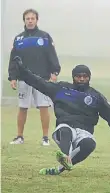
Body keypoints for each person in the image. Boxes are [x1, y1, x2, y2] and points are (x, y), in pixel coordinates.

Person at [13, 56, 110, 175]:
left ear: (89, 77)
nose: (81, 79)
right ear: (73, 77)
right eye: (78, 76)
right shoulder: (61, 89)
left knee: (90, 144)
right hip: (65, 127)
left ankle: (59, 169)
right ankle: (65, 155)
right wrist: (22, 70)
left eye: (85, 76)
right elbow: (38, 82)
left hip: (84, 131)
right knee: (65, 130)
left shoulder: (95, 96)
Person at [8, 9, 61, 146]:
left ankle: (45, 138)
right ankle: (19, 137)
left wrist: (54, 73)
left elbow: (52, 55)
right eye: (27, 18)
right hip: (24, 79)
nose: (30, 21)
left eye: (32, 18)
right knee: (23, 107)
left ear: (37, 20)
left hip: (41, 78)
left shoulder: (44, 37)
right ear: (24, 21)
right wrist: (12, 77)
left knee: (44, 106)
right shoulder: (19, 39)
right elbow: (13, 59)